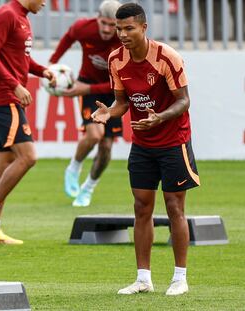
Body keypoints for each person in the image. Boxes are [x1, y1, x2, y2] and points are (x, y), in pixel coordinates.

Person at [92, 3, 200, 296]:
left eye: (129, 28)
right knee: (141, 208)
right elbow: (123, 102)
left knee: (175, 207)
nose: (123, 34)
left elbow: (184, 100)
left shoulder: (167, 56)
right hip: (142, 144)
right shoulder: (115, 59)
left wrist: (160, 117)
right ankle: (143, 279)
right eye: (119, 28)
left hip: (173, 140)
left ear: (143, 28)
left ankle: (180, 278)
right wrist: (109, 113)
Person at [0, 0, 55, 245]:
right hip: (5, 98)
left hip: (4, 98)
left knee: (3, 164)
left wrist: (42, 71)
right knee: (28, 156)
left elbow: (18, 58)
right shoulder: (7, 14)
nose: (45, 3)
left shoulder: (22, 16)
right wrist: (16, 86)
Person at [49, 0, 123, 207]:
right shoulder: (84, 27)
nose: (107, 29)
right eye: (104, 23)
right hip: (90, 85)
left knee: (107, 146)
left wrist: (85, 89)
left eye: (112, 25)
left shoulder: (125, 40)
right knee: (94, 135)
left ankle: (88, 188)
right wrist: (53, 63)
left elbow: (121, 83)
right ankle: (74, 167)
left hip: (114, 92)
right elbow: (69, 37)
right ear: (97, 19)